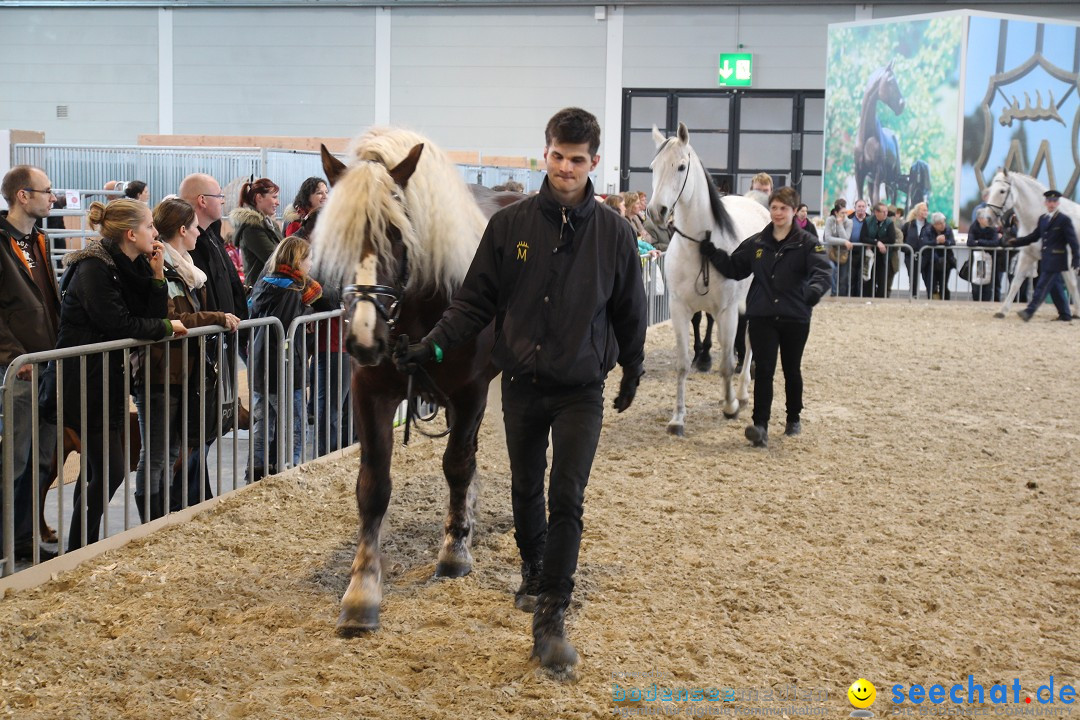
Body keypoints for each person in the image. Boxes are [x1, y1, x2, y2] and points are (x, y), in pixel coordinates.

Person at [393, 107, 646, 671]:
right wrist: (432, 345)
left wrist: (632, 366)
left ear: (594, 163)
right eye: (557, 156)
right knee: (526, 489)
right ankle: (533, 572)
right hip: (523, 384)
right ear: (547, 153)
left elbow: (631, 309)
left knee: (568, 496)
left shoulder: (614, 233)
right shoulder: (510, 227)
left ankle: (551, 613)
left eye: (576, 160)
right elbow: (474, 301)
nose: (564, 168)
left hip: (581, 386)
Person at [42, 199, 188, 551]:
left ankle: (81, 545)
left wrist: (156, 277)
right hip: (82, 381)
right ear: (131, 233)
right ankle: (80, 547)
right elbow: (120, 324)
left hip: (107, 380)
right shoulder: (94, 267)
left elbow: (146, 313)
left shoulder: (130, 265)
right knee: (110, 470)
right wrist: (166, 325)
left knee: (99, 470)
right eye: (150, 226)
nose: (155, 234)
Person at [131, 198, 240, 522]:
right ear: (182, 230)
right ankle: (150, 522)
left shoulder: (186, 269)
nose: (198, 233)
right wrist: (217, 317)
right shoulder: (160, 266)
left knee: (173, 451)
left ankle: (164, 518)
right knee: (157, 455)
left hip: (182, 371)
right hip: (160, 371)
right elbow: (174, 318)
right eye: (194, 228)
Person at [699, 186, 831, 448]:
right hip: (762, 316)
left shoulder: (807, 243)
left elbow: (823, 271)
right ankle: (760, 425)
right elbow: (735, 267)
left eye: (784, 208)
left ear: (794, 211)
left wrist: (815, 290)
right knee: (765, 371)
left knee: (791, 369)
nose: (778, 213)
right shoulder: (757, 242)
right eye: (774, 208)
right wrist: (713, 253)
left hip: (795, 317)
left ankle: (793, 417)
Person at [0, 166, 62, 561]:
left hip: (49, 361)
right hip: (20, 367)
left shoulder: (38, 240)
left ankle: (24, 539)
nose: (52, 197)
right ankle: (6, 543)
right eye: (46, 191)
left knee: (42, 459)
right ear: (23, 196)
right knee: (16, 459)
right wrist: (12, 357)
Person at [176, 173, 248, 509]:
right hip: (200, 347)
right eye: (219, 195)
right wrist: (217, 322)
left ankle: (198, 495)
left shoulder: (211, 238)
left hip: (219, 341)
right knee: (194, 430)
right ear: (202, 201)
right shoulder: (190, 243)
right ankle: (189, 498)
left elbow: (228, 283)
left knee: (207, 426)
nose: (224, 200)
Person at [247, 236, 321, 478]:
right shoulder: (290, 291)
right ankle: (291, 470)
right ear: (298, 261)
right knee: (296, 427)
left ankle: (257, 471)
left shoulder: (266, 283)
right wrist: (306, 311)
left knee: (264, 424)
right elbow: (287, 326)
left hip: (262, 365)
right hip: (285, 368)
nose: (311, 264)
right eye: (308, 259)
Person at [1013, 189, 1080, 322]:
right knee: (1055, 287)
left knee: (1042, 285)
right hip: (1046, 258)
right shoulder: (1043, 219)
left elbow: (1073, 241)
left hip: (1057, 259)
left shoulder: (1064, 220)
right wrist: (1016, 241)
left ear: (1058, 203)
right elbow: (1034, 236)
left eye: (1054, 201)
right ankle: (1065, 314)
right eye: (1049, 201)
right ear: (1045, 203)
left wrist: (1077, 259)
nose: (1051, 204)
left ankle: (1029, 311)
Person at [231, 177, 283, 286]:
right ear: (259, 197)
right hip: (261, 292)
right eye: (274, 197)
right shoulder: (252, 228)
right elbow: (275, 259)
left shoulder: (270, 224)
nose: (278, 202)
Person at [967, 208, 1004, 302]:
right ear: (979, 219)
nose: (987, 220)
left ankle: (986, 304)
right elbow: (970, 242)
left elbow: (995, 242)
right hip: (978, 260)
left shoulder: (992, 228)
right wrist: (985, 243)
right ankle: (976, 303)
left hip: (991, 260)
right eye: (985, 218)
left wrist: (979, 241)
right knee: (977, 284)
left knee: (989, 285)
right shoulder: (973, 227)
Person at [858, 202, 895, 298]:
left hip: (883, 257)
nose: (886, 214)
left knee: (882, 280)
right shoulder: (867, 221)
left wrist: (876, 242)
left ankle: (880, 300)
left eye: (886, 211)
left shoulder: (889, 222)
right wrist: (877, 243)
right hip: (869, 255)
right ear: (876, 212)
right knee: (868, 278)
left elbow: (891, 239)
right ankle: (868, 299)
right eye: (883, 212)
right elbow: (863, 237)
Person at [919, 212, 956, 300]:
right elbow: (923, 243)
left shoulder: (948, 229)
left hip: (945, 261)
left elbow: (952, 242)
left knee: (944, 285)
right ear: (934, 224)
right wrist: (936, 241)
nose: (942, 225)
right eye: (939, 223)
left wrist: (945, 242)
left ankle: (945, 303)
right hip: (929, 262)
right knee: (931, 286)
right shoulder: (926, 230)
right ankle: (933, 301)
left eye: (943, 222)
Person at [823, 202, 852, 297]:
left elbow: (846, 237)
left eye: (845, 213)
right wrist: (843, 242)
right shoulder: (830, 220)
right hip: (830, 252)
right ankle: (833, 294)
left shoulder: (849, 222)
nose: (844, 215)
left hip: (843, 253)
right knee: (832, 270)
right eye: (842, 213)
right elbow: (828, 238)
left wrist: (839, 225)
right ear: (836, 213)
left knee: (843, 278)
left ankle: (842, 298)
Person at [903, 202, 929, 298]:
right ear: (918, 211)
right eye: (924, 210)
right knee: (912, 276)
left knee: (926, 277)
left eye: (926, 210)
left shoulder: (929, 226)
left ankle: (930, 297)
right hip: (910, 255)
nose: (926, 212)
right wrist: (906, 249)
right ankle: (913, 295)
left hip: (924, 256)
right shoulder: (908, 225)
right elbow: (902, 238)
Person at [848, 200, 870, 297]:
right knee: (851, 276)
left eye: (863, 206)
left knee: (862, 277)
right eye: (859, 206)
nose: (861, 208)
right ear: (855, 207)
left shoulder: (871, 219)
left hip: (865, 252)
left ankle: (860, 297)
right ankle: (851, 297)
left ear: (866, 207)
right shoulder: (849, 219)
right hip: (851, 252)